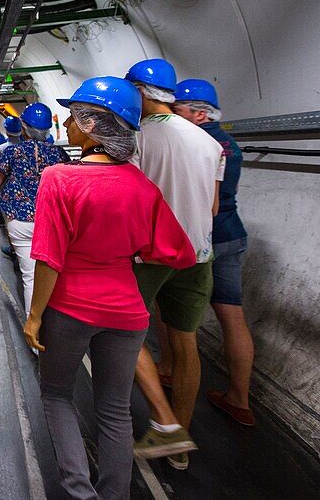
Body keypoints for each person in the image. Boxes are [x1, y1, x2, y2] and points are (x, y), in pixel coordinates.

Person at [24, 76, 195, 500]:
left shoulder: (60, 179)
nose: (65, 122)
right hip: (127, 314)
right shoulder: (143, 187)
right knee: (115, 411)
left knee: (58, 396)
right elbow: (177, 253)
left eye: (74, 116)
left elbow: (49, 259)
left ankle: (81, 493)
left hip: (69, 309)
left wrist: (34, 316)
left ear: (94, 125)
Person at [125, 59, 226, 470]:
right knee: (186, 343)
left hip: (151, 252)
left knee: (123, 332)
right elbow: (214, 206)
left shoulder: (137, 137)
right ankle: (178, 442)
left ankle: (161, 418)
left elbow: (126, 197)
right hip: (198, 252)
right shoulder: (210, 143)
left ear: (141, 91)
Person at [173, 78, 256, 427]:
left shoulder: (197, 144)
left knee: (175, 314)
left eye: (177, 112)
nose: (173, 118)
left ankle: (167, 371)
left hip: (200, 240)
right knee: (232, 317)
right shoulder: (231, 145)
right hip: (231, 235)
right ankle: (239, 398)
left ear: (199, 114)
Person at [0, 103, 65, 317]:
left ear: (24, 127)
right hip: (51, 220)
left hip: (20, 220)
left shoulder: (12, 152)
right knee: (53, 272)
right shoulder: (59, 154)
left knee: (30, 275)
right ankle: (54, 325)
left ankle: (35, 329)